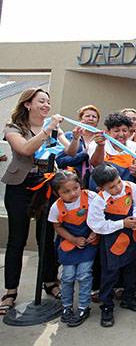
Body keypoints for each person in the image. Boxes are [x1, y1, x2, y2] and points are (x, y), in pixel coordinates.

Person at [1, 88, 79, 315]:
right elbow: (25, 149)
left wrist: (77, 137)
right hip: (20, 187)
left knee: (46, 237)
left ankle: (50, 282)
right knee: (17, 239)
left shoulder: (54, 128)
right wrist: (48, 129)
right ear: (28, 104)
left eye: (48, 102)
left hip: (47, 187)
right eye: (41, 101)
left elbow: (70, 152)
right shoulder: (13, 128)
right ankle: (10, 291)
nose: (46, 105)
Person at [87, 164, 136, 327]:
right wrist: (122, 223)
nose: (118, 187)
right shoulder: (100, 200)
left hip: (131, 236)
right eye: (112, 187)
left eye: (118, 182)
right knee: (110, 273)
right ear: (101, 187)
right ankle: (107, 305)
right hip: (111, 240)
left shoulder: (131, 187)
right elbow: (96, 224)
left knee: (131, 268)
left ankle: (129, 297)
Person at [48, 170, 99, 327]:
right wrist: (73, 239)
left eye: (75, 188)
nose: (73, 193)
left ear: (80, 185)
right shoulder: (56, 207)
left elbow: (100, 215)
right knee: (68, 277)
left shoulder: (90, 197)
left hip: (88, 244)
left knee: (84, 275)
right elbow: (57, 227)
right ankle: (66, 306)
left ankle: (83, 307)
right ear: (58, 193)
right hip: (69, 245)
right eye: (66, 191)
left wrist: (94, 232)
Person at [88, 113, 136, 190]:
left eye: (125, 130)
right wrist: (100, 146)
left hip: (126, 192)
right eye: (116, 131)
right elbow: (96, 164)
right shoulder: (96, 144)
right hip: (102, 191)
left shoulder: (135, 147)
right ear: (107, 132)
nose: (121, 134)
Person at [56, 105, 101, 186]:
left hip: (94, 184)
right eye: (87, 116)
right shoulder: (69, 136)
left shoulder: (101, 139)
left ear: (97, 121)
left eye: (94, 116)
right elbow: (60, 161)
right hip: (72, 182)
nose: (91, 118)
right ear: (80, 119)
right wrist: (84, 154)